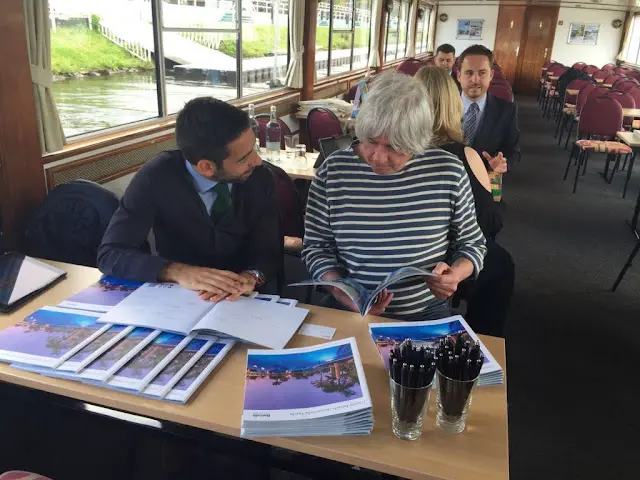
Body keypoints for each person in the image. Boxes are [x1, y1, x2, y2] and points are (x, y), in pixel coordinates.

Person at [302, 72, 487, 321]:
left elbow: (473, 243)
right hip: (348, 309)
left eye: (394, 146)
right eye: (370, 141)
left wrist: (455, 274)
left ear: (417, 142)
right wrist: (341, 291)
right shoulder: (333, 171)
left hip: (424, 311)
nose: (378, 157)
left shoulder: (448, 171)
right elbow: (316, 247)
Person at [98, 97, 280, 302]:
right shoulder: (157, 177)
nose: (257, 161)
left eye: (254, 148)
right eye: (244, 158)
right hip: (179, 297)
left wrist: (251, 277)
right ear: (206, 167)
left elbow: (269, 251)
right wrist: (176, 271)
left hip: (242, 299)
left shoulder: (260, 179)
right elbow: (111, 254)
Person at [415, 66, 513, 336]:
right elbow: (490, 222)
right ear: (453, 105)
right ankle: (483, 338)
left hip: (409, 249)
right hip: (450, 258)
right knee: (501, 265)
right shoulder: (463, 155)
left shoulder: (400, 149)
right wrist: (494, 181)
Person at [457, 44, 521, 173]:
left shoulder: (506, 110)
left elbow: (513, 152)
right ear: (459, 75)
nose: (475, 80)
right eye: (469, 73)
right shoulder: (441, 107)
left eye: (482, 73)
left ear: (491, 75)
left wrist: (503, 163)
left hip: (486, 175)